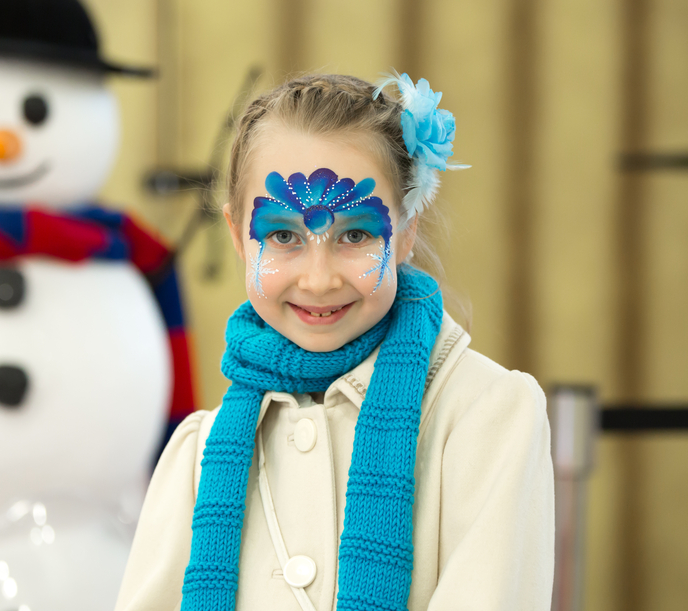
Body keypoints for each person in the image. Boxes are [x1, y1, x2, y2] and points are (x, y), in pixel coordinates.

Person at [114, 72, 554, 611]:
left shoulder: (483, 417)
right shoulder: (200, 458)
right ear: (236, 236)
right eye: (282, 237)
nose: (319, 279)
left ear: (407, 230)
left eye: (355, 235)